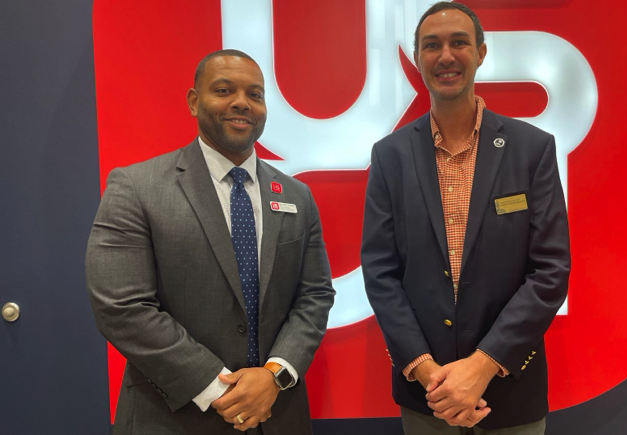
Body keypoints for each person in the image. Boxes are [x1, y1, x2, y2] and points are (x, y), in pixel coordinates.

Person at [86, 49, 335, 435]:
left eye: (255, 94)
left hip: (276, 414)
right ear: (193, 101)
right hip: (172, 416)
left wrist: (274, 376)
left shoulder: (296, 195)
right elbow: (121, 306)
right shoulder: (136, 187)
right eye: (224, 90)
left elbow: (315, 296)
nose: (241, 103)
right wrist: (219, 387)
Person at [361, 3, 570, 434]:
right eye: (431, 45)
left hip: (510, 389)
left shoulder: (531, 149)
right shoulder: (390, 156)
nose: (446, 56)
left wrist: (482, 366)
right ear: (418, 58)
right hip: (427, 396)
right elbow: (381, 272)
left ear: (481, 52)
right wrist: (426, 372)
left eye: (459, 42)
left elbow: (550, 271)